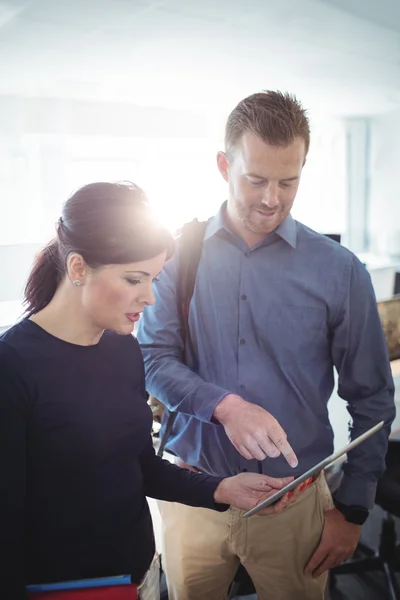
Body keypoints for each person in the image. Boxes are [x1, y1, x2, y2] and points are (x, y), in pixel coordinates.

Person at [137, 91, 397, 600]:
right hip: (195, 493)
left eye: (288, 180)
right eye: (255, 179)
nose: (271, 198)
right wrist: (226, 408)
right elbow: (151, 359)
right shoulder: (175, 254)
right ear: (223, 165)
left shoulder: (340, 271)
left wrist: (354, 511)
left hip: (295, 499)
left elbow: (373, 398)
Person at [0, 182, 302, 600]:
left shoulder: (123, 348)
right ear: (78, 268)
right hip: (61, 587)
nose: (150, 296)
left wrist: (221, 488)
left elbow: (137, 465)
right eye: (134, 279)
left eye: (155, 278)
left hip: (138, 574)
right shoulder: (13, 366)